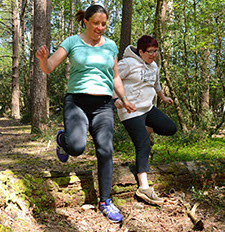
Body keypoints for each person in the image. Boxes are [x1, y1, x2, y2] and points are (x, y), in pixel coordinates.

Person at [36, 5, 136, 223]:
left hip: (103, 105)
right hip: (77, 103)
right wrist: (43, 59)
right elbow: (50, 66)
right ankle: (63, 139)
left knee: (105, 150)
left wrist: (124, 99)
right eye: (95, 23)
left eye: (103, 24)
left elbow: (116, 77)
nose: (100, 28)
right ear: (86, 22)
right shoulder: (72, 42)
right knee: (77, 147)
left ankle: (105, 202)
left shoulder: (110, 46)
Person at [114, 35, 177, 205]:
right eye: (149, 52)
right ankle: (144, 188)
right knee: (144, 145)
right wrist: (116, 100)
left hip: (147, 109)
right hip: (130, 111)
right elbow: (111, 78)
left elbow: (156, 84)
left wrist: (163, 97)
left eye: (155, 51)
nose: (153, 55)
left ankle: (145, 128)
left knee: (170, 128)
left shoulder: (154, 66)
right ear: (140, 51)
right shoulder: (127, 63)